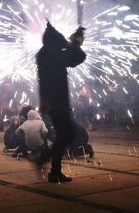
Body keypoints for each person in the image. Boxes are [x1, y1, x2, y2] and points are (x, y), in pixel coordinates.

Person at [36, 22, 86, 183]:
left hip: (53, 101)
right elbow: (76, 58)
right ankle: (44, 159)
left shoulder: (45, 53)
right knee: (68, 134)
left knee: (63, 134)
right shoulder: (52, 54)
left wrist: (73, 43)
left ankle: (55, 172)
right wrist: (76, 42)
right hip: (57, 102)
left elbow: (69, 56)